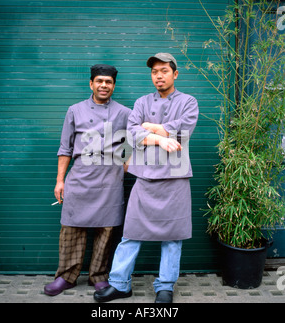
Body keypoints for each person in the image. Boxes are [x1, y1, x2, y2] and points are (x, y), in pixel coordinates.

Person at [94, 53, 199, 303]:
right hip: (145, 178)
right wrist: (162, 137)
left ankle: (165, 287)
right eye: (154, 71)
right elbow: (131, 133)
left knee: (173, 237)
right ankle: (120, 284)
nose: (158, 75)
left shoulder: (188, 102)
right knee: (131, 233)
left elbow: (183, 130)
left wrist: (149, 127)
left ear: (175, 74)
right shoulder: (141, 102)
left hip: (175, 179)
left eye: (164, 70)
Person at [44, 64, 131, 296]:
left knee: (106, 230)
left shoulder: (124, 113)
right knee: (71, 229)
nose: (104, 85)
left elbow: (132, 146)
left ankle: (99, 277)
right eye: (99, 81)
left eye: (109, 82)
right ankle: (66, 277)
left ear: (114, 85)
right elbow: (65, 148)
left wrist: (123, 167)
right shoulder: (75, 110)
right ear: (91, 83)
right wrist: (59, 181)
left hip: (110, 180)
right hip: (80, 177)